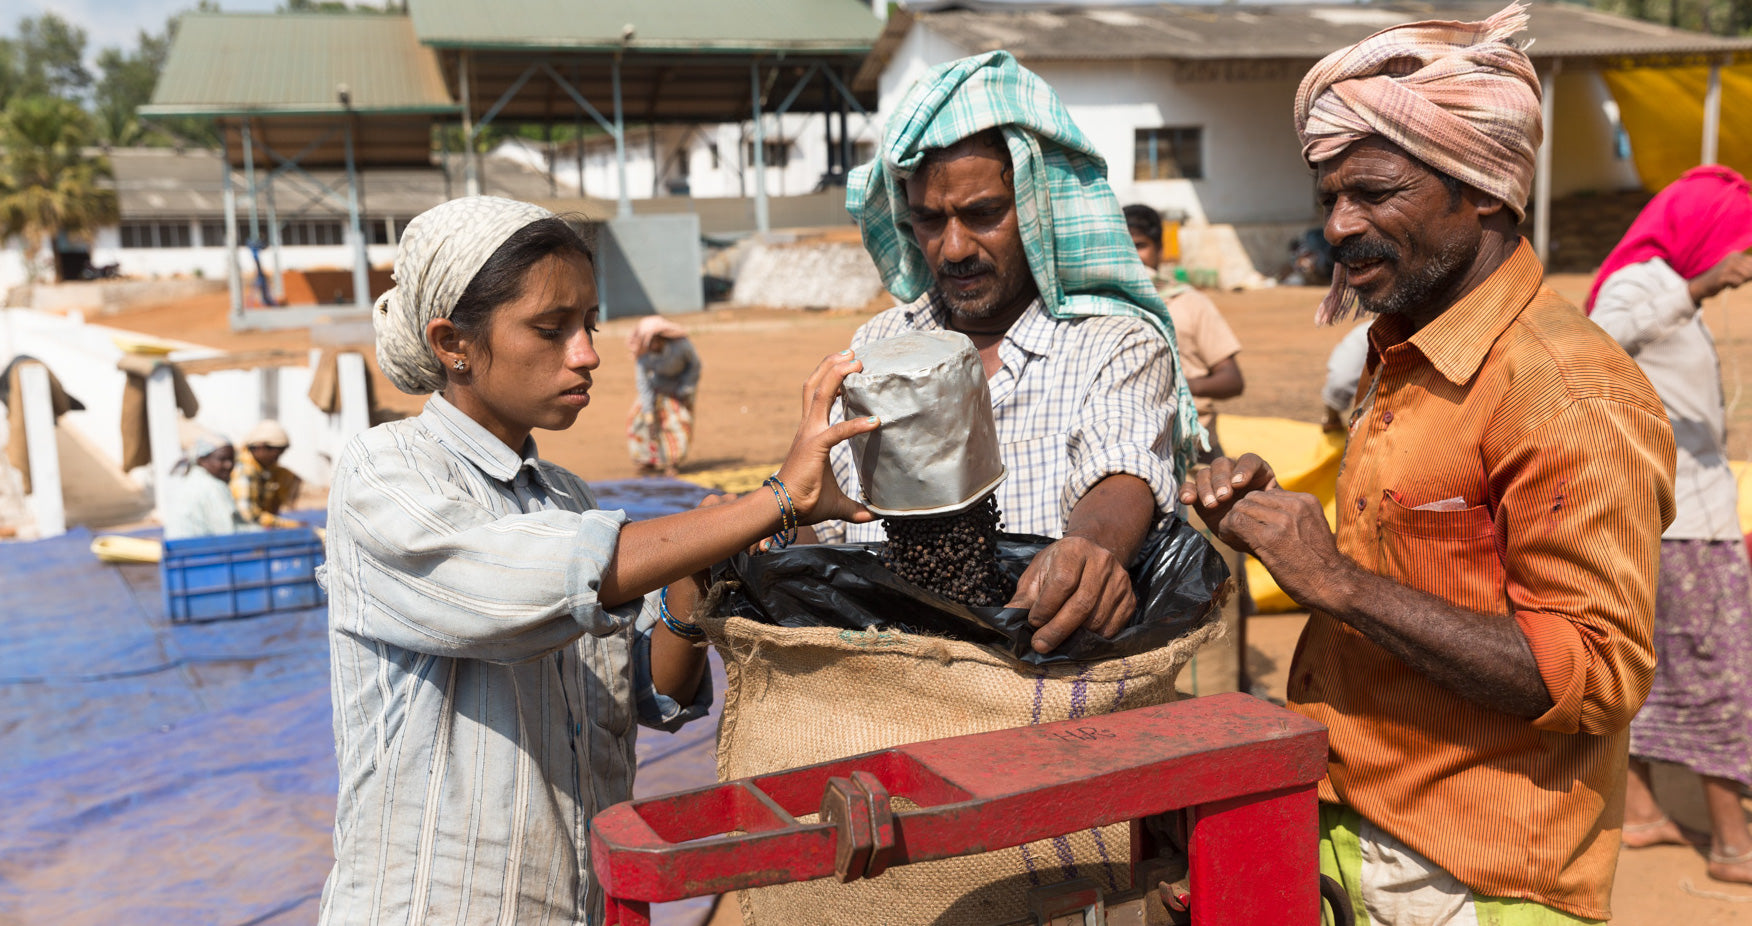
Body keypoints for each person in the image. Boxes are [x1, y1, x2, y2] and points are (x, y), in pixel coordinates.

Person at [1181, 6, 1677, 923]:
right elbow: (1420, 563)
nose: (1337, 225)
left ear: (1484, 188)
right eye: (1327, 196)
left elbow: (1596, 674)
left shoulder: (1565, 390)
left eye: (1373, 193)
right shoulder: (1408, 340)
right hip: (1355, 825)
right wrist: (1290, 529)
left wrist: (1332, 580)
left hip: (1477, 877)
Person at [319, 196, 878, 925]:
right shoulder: (384, 473)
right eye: (550, 330)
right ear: (453, 342)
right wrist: (774, 499)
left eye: (588, 325)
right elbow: (530, 585)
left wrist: (690, 576)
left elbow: (653, 691)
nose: (586, 353)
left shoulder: (568, 499)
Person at [814, 50, 1200, 655]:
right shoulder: (876, 346)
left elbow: (1121, 468)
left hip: (1039, 670)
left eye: (983, 214)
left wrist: (1091, 549)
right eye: (929, 221)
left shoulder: (1113, 343)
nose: (954, 247)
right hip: (889, 669)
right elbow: (836, 514)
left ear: (1038, 206)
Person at [1586, 165, 1752, 884]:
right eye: (1739, 253)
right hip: (1679, 518)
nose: (1743, 271)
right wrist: (1693, 290)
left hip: (1693, 511)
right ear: (1707, 238)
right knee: (1721, 673)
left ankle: (1647, 811)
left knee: (1663, 663)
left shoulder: (1663, 286)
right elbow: (1593, 344)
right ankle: (1730, 842)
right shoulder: (1642, 285)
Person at [1125, 203, 1244, 462]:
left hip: (1196, 447)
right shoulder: (1107, 306)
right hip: (1134, 447)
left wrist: (1179, 386)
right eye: (1124, 246)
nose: (1133, 256)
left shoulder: (1190, 302)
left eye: (1140, 246)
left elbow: (1233, 380)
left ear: (1160, 249)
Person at [625, 315, 701, 475]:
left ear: (661, 339)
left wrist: (685, 390)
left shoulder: (681, 346)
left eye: (655, 341)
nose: (652, 345)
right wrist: (648, 413)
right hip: (657, 386)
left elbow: (695, 366)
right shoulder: (643, 355)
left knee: (677, 422)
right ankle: (648, 461)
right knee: (638, 421)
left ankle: (672, 463)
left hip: (681, 386)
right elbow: (643, 383)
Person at [163, 433, 262, 540]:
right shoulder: (211, 486)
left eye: (231, 459)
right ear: (202, 460)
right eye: (222, 459)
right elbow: (227, 532)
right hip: (201, 551)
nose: (228, 465)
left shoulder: (192, 480)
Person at [231, 419, 304, 529]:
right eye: (276, 454)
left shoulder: (267, 469)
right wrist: (288, 525)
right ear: (261, 447)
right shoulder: (245, 471)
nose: (277, 459)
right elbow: (248, 516)